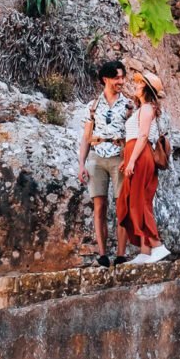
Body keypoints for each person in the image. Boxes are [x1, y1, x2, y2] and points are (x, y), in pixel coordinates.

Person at [78, 59, 132, 267]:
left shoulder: (129, 105)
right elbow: (86, 137)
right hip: (97, 157)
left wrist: (128, 159)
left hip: (119, 157)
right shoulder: (93, 106)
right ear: (105, 79)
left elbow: (133, 135)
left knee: (121, 207)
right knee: (99, 206)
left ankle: (120, 254)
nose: (121, 81)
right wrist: (81, 164)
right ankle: (102, 254)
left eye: (122, 77)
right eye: (117, 77)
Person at [117, 70, 170, 264]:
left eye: (140, 84)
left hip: (141, 156)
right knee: (135, 200)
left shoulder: (148, 108)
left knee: (138, 201)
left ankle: (157, 245)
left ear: (147, 89)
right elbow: (133, 137)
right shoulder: (142, 109)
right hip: (135, 154)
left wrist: (131, 161)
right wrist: (127, 159)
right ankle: (145, 251)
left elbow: (143, 136)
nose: (136, 86)